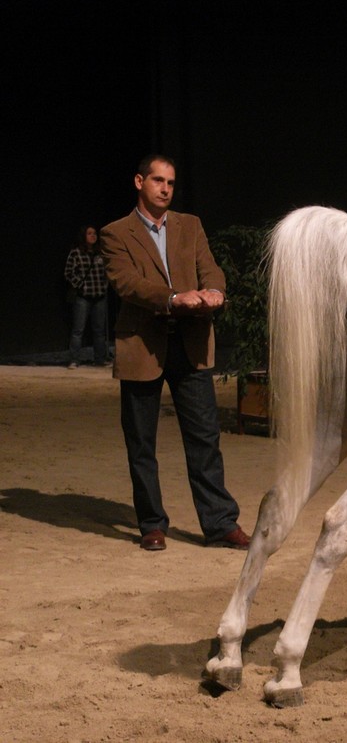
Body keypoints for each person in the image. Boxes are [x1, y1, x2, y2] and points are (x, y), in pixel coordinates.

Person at [100, 154, 250, 552]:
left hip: (191, 344)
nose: (165, 188)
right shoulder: (115, 233)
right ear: (139, 182)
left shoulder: (191, 225)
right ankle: (152, 524)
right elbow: (127, 283)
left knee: (204, 439)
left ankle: (220, 524)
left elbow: (210, 269)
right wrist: (173, 298)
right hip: (142, 346)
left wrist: (215, 291)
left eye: (170, 182)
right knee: (142, 444)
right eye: (157, 180)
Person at [64, 224, 110, 368]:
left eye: (95, 233)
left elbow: (108, 271)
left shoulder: (100, 253)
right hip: (83, 297)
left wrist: (105, 285)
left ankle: (100, 360)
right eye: (90, 233)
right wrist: (80, 285)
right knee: (78, 330)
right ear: (84, 236)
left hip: (99, 297)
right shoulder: (76, 253)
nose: (93, 236)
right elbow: (68, 272)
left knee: (99, 331)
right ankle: (74, 360)